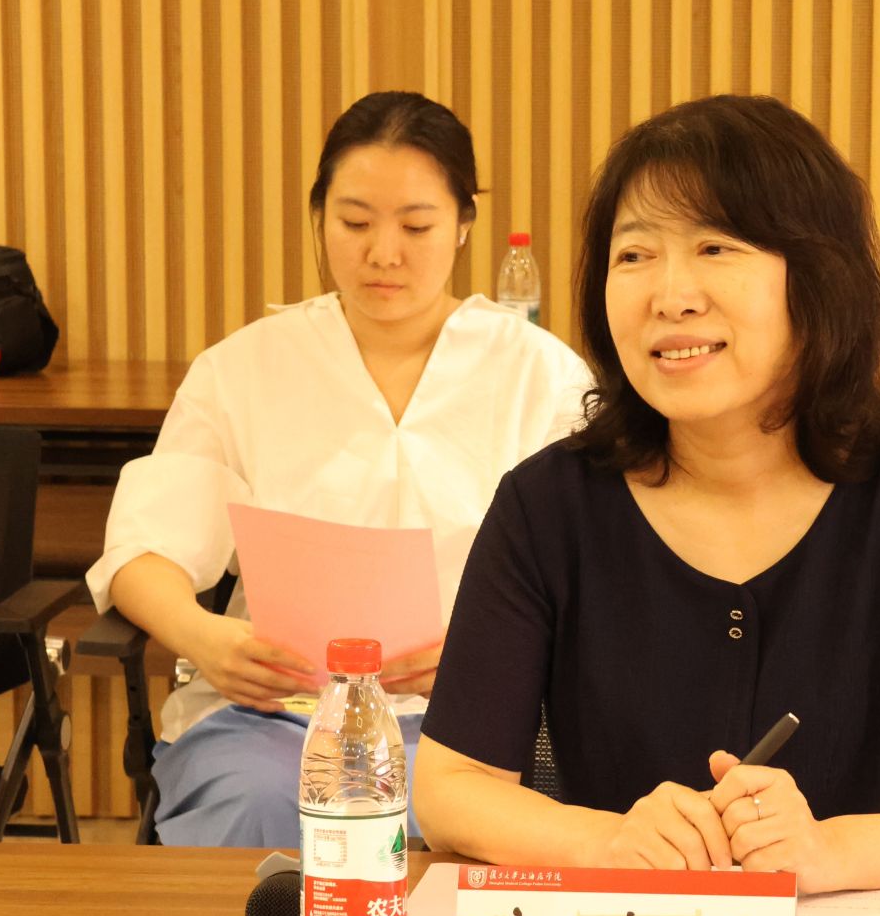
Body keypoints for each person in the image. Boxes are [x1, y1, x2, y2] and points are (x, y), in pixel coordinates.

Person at [414, 95, 880, 894]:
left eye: (715, 246)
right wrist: (610, 841)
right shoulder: (545, 508)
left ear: (816, 278)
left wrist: (829, 852)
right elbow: (448, 789)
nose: (670, 295)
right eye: (634, 254)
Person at [88, 91, 591, 848]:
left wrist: (489, 657)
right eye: (355, 223)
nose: (383, 253)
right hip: (277, 719)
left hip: (474, 726)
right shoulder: (245, 369)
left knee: (454, 825)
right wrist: (205, 638)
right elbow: (143, 552)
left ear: (463, 224)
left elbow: (600, 578)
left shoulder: (539, 376)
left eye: (416, 226)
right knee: (260, 804)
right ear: (319, 216)